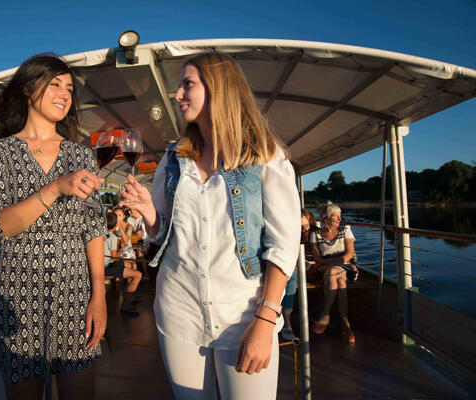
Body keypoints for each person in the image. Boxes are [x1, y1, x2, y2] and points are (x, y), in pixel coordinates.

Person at [120, 53, 300, 399]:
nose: (177, 95)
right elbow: (164, 235)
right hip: (179, 314)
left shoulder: (264, 154)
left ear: (219, 89)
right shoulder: (173, 159)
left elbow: (284, 244)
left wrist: (265, 321)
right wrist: (147, 211)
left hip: (244, 316)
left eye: (188, 84)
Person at [0, 53, 107, 400]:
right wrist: (54, 187)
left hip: (75, 294)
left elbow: (94, 228)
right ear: (26, 88)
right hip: (16, 295)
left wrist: (99, 295)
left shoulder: (81, 155)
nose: (65, 94)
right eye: (54, 84)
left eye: (69, 88)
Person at [309, 202, 358, 343]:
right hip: (326, 268)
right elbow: (318, 258)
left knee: (332, 273)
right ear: (325, 219)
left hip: (345, 267)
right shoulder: (316, 235)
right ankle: (345, 323)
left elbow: (349, 254)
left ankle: (325, 314)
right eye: (335, 216)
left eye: (340, 215)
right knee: (339, 281)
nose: (339, 219)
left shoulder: (345, 231)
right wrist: (329, 265)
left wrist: (332, 264)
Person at [104, 212, 142, 316]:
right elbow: (115, 257)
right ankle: (125, 305)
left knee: (131, 266)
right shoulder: (112, 237)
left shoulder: (101, 234)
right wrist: (121, 248)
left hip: (105, 264)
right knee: (138, 275)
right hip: (107, 267)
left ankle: (128, 293)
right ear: (116, 225)